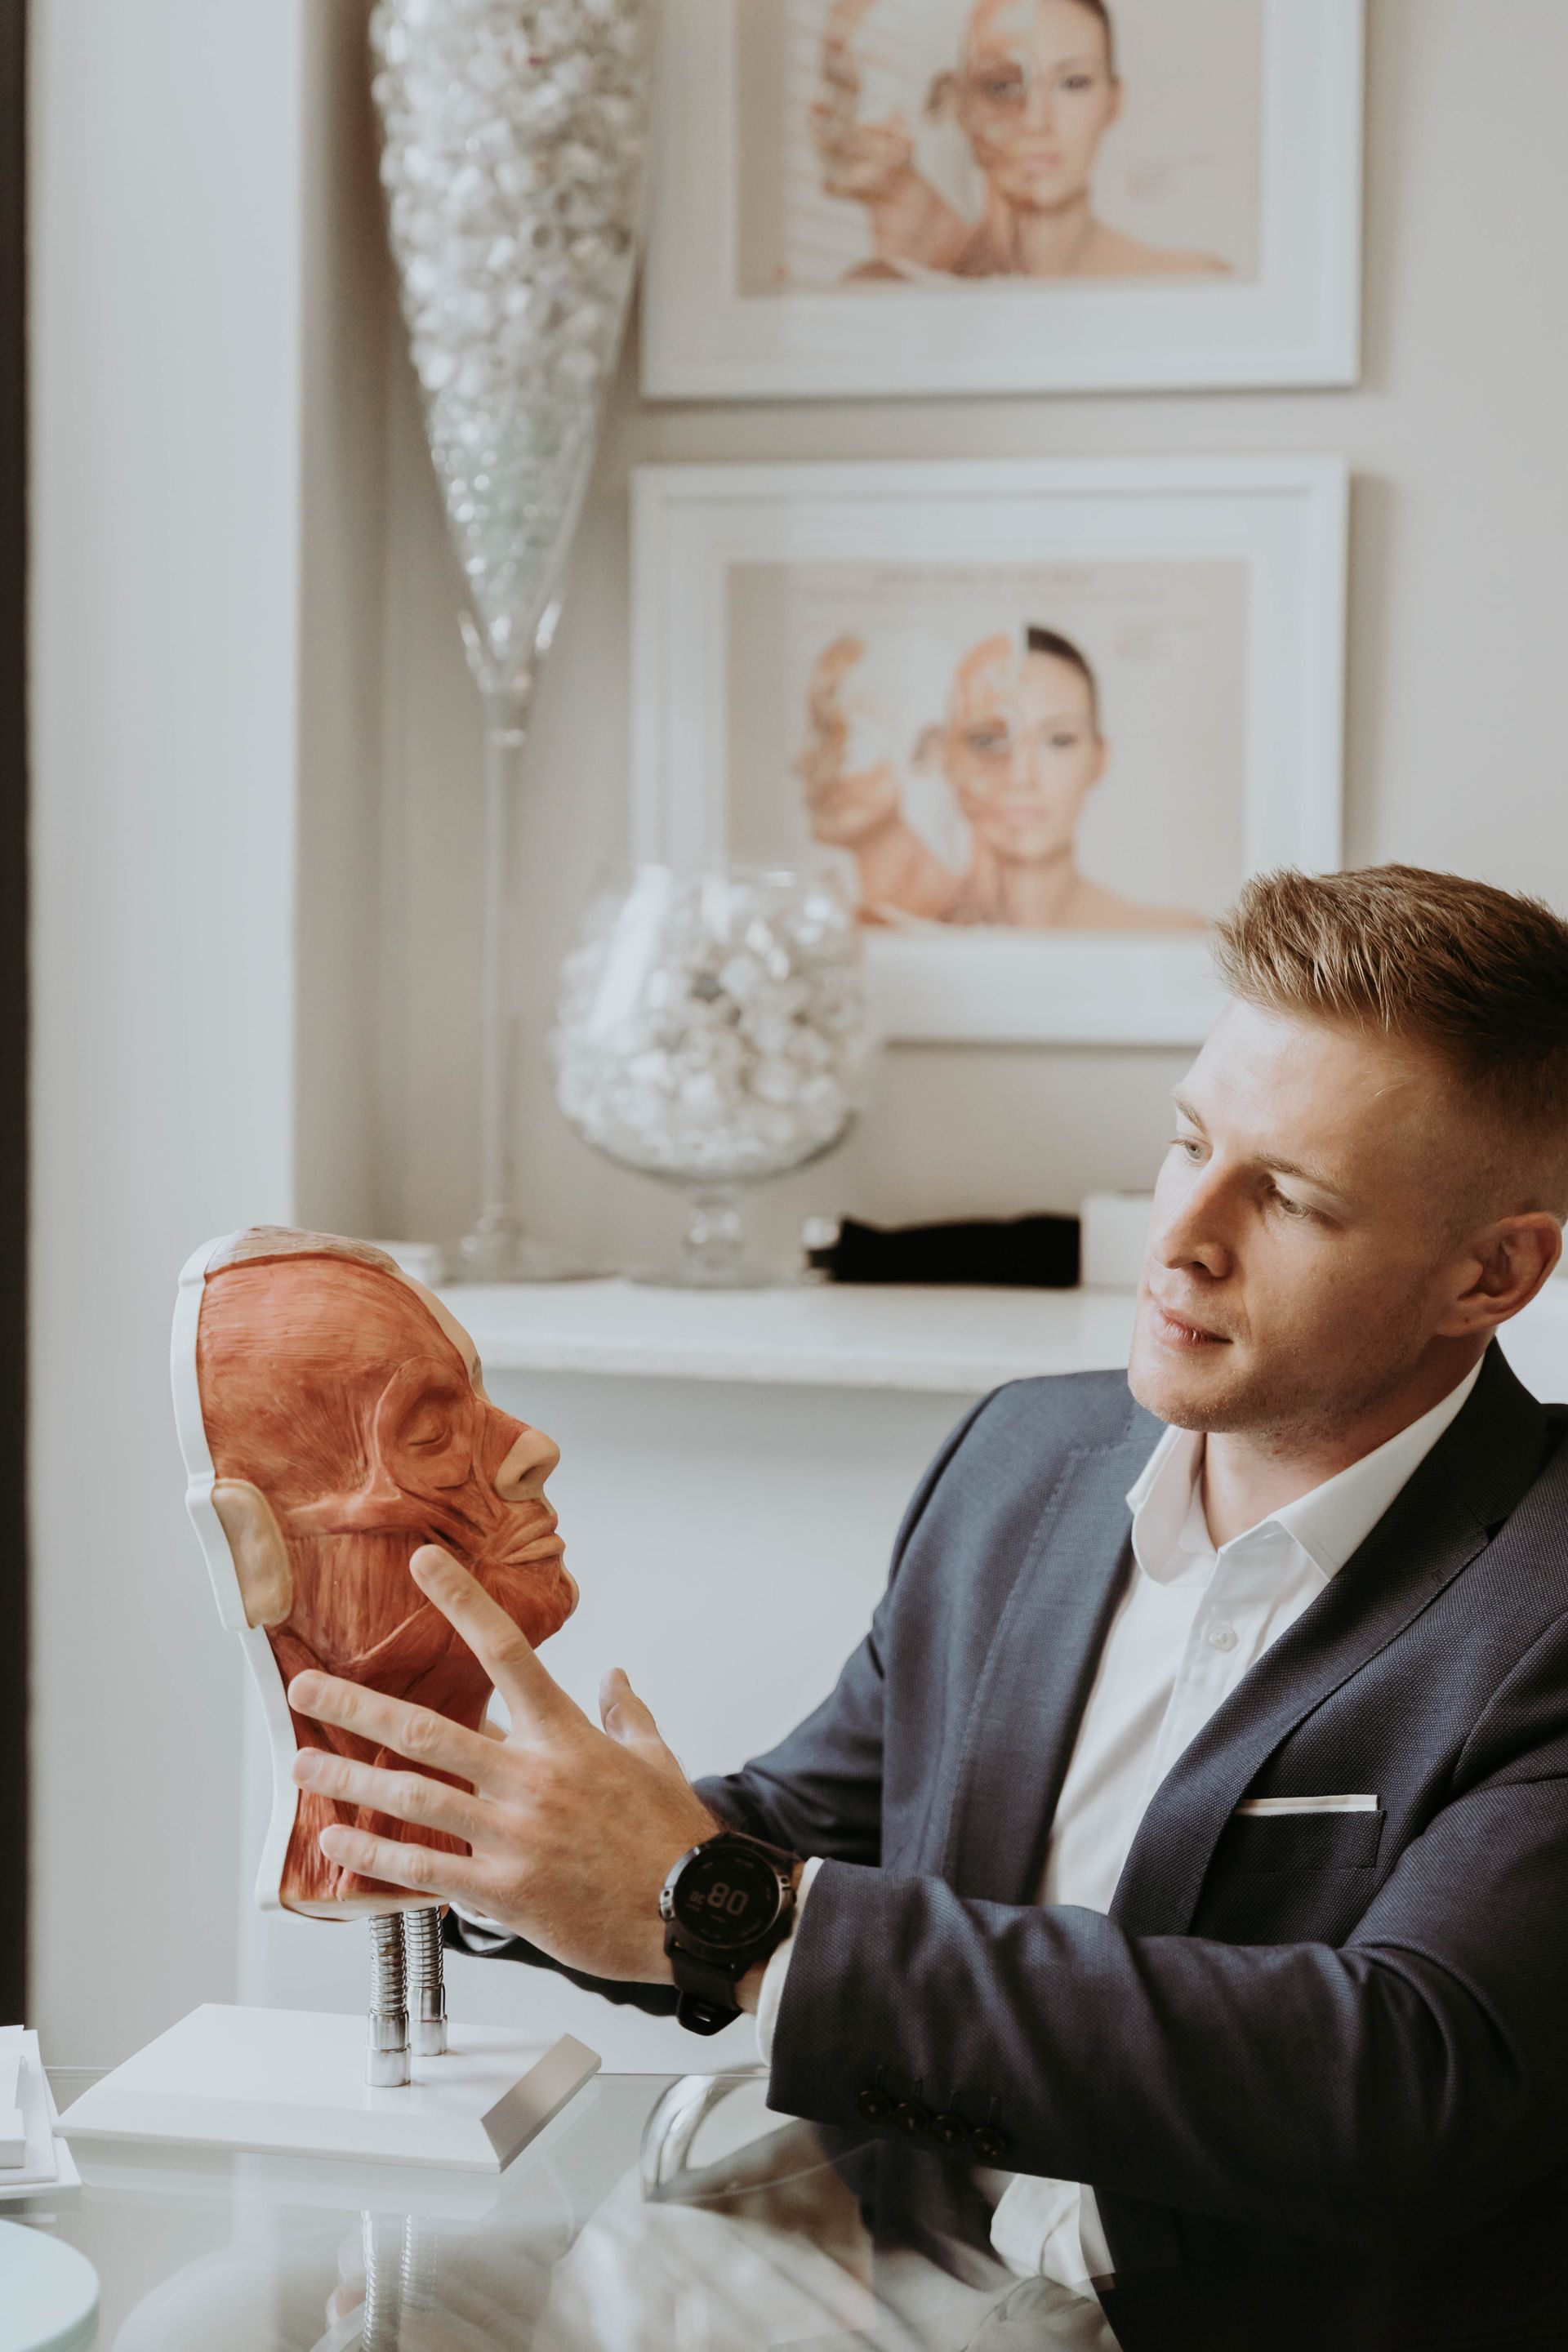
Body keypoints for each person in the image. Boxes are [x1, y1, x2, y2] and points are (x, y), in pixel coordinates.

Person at [290, 866, 1568, 2350]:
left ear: (1493, 1274)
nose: (1183, 1237)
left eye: (1287, 1196)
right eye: (1186, 1143)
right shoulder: (1026, 1458)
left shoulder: (1541, 1598)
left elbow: (1396, 2086)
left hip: (1176, 2322)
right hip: (860, 2250)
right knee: (223, 2309)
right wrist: (466, 1825)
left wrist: (725, 1912)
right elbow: (809, 1829)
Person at [797, 624, 1205, 929]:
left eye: (1059, 740)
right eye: (988, 741)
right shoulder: (885, 933)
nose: (1021, 775)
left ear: (1098, 760)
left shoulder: (1171, 937)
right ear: (945, 757)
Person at [813, 0, 1230, 283]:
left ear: (1113, 102)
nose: (1036, 121)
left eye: (1073, 82)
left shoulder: (1188, 283)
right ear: (961, 106)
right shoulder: (880, 293)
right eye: (1002, 86)